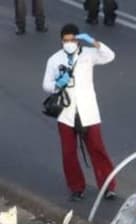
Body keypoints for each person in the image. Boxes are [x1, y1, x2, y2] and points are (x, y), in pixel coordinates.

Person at [42, 24, 118, 202]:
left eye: (72, 40)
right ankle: (76, 187)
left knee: (97, 149)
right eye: (65, 40)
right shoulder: (55, 59)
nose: (69, 43)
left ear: (78, 40)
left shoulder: (88, 54)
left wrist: (93, 41)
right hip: (66, 113)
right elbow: (46, 84)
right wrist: (57, 84)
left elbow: (109, 55)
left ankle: (108, 186)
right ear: (61, 41)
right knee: (68, 153)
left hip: (87, 111)